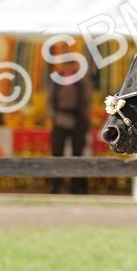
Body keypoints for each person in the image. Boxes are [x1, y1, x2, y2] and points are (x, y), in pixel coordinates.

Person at [47, 60, 93, 194]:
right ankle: (56, 185)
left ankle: (76, 185)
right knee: (57, 152)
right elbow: (49, 101)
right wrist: (55, 116)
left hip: (78, 120)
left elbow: (87, 101)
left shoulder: (82, 82)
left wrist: (84, 119)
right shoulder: (56, 81)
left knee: (77, 153)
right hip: (60, 119)